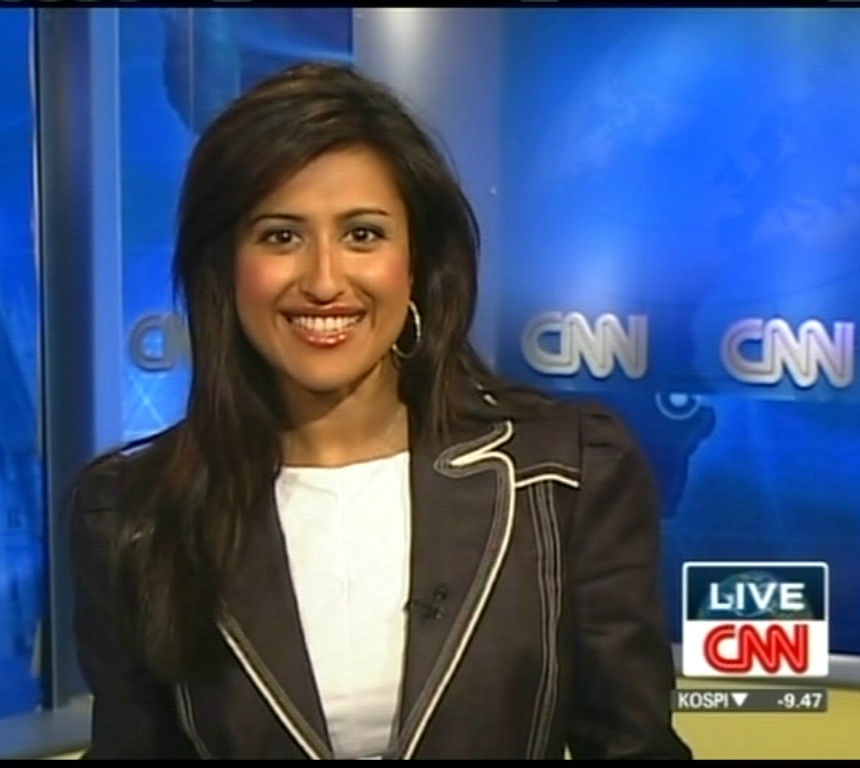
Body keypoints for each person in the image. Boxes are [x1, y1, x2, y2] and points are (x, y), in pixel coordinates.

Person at [69, 61, 692, 760]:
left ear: (417, 261)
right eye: (281, 236)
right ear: (224, 268)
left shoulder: (563, 477)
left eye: (363, 235)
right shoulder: (135, 514)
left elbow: (633, 747)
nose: (325, 281)